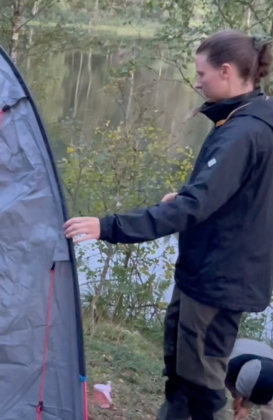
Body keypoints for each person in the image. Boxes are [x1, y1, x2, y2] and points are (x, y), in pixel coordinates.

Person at [63, 29, 273, 420]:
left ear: (226, 71)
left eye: (201, 74)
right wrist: (198, 199)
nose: (196, 83)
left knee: (203, 388)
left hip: (218, 279)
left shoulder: (242, 133)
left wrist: (106, 226)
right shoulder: (256, 117)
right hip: (219, 270)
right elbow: (248, 196)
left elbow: (193, 208)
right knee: (180, 375)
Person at [226, 338, 273, 420]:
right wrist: (238, 398)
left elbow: (259, 393)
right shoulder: (229, 365)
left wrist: (246, 405)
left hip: (266, 357)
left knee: (270, 406)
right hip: (240, 349)